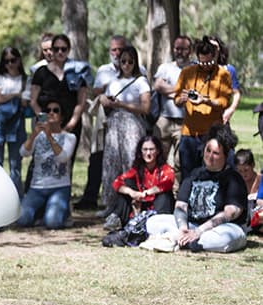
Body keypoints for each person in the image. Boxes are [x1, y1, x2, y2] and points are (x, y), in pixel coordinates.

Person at [145, 125, 247, 253]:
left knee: (223, 239)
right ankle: (185, 239)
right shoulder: (195, 174)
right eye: (208, 150)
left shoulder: (233, 178)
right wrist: (183, 228)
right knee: (152, 222)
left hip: (221, 228)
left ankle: (176, 239)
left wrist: (199, 231)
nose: (210, 156)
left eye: (216, 153)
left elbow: (230, 213)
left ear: (225, 156)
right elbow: (180, 206)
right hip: (193, 225)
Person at [28, 34, 91, 183]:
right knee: (40, 160)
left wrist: (71, 124)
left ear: (69, 50)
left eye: (64, 49)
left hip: (70, 125)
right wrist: (44, 123)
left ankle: (63, 201)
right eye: (56, 49)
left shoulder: (77, 72)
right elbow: (33, 101)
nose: (59, 52)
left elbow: (81, 102)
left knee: (66, 163)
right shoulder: (41, 72)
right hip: (45, 124)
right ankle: (34, 198)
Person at [75, 35, 129, 210]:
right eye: (113, 49)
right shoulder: (104, 70)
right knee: (97, 157)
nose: (117, 53)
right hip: (104, 119)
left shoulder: (137, 68)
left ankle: (125, 200)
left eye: (120, 49)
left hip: (127, 119)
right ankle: (91, 197)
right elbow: (97, 91)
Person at [99, 46, 151, 211]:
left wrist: (122, 104)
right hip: (114, 125)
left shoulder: (141, 81)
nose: (127, 65)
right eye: (123, 61)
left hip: (132, 125)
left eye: (130, 61)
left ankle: (133, 203)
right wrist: (105, 102)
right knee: (112, 163)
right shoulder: (114, 81)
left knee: (131, 162)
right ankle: (111, 204)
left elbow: (145, 108)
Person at [174, 37, 232, 181]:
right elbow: (176, 98)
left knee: (212, 174)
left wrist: (205, 100)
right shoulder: (187, 73)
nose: (205, 65)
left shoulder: (223, 75)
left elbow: (224, 102)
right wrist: (181, 100)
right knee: (188, 175)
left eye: (209, 62)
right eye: (202, 62)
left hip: (211, 134)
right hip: (189, 133)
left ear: (215, 57)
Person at [16, 100, 76, 229]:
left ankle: (63, 212)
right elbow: (23, 153)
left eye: (55, 110)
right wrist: (33, 135)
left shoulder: (69, 137)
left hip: (59, 187)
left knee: (53, 223)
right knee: (22, 220)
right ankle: (43, 210)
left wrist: (49, 136)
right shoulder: (38, 136)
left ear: (62, 117)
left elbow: (63, 158)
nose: (51, 113)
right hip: (37, 187)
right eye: (48, 111)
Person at [103, 136, 175, 231]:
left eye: (151, 149)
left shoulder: (166, 169)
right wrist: (131, 192)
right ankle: (117, 218)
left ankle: (159, 227)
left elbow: (167, 183)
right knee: (126, 184)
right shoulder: (137, 169)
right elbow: (117, 182)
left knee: (165, 195)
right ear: (140, 152)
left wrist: (146, 193)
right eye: (145, 150)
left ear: (157, 151)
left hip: (159, 208)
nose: (148, 153)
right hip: (141, 206)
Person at [0, 47, 28, 194]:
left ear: (19, 60)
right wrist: (15, 95)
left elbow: (25, 102)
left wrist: (5, 95)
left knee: (15, 164)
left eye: (13, 60)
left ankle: (15, 196)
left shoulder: (25, 80)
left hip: (17, 125)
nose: (10, 64)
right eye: (6, 61)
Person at [153, 35, 193, 166]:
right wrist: (180, 90)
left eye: (183, 49)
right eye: (177, 48)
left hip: (186, 120)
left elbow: (195, 91)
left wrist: (169, 91)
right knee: (157, 157)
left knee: (180, 161)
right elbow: (158, 86)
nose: (179, 52)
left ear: (190, 50)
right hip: (164, 119)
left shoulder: (195, 69)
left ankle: (176, 187)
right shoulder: (165, 67)